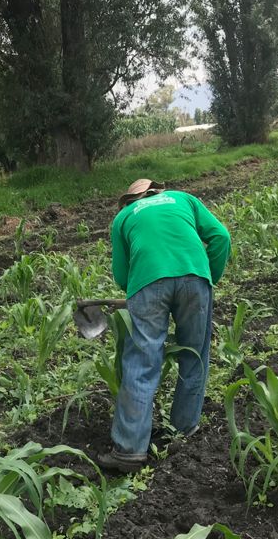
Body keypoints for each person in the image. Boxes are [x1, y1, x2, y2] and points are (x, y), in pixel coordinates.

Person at [98, 178, 231, 473]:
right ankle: (182, 432)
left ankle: (130, 451)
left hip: (147, 284)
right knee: (194, 354)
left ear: (131, 200)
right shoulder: (183, 199)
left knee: (142, 362)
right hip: (196, 278)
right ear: (158, 191)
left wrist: (142, 288)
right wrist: (209, 277)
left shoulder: (123, 217)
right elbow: (221, 237)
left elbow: (122, 274)